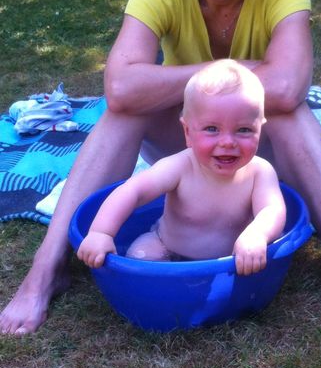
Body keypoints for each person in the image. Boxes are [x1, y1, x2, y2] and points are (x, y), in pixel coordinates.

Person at [1, 0, 321, 344]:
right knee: (125, 111)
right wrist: (226, 73)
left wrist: (184, 84)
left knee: (293, 111)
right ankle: (47, 267)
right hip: (187, 143)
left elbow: (286, 88)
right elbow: (120, 88)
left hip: (256, 147)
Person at [77, 60, 286, 274]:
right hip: (166, 245)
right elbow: (133, 191)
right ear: (187, 132)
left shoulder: (260, 172)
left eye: (243, 130)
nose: (228, 142)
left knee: (247, 271)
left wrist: (257, 235)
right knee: (144, 256)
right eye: (212, 129)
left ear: (260, 129)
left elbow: (272, 210)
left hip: (230, 259)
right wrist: (101, 233)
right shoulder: (180, 167)